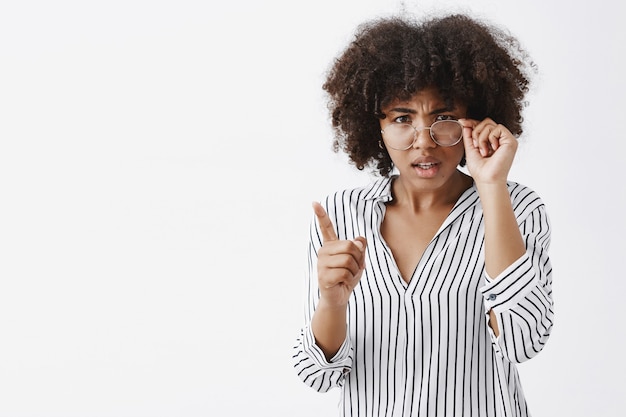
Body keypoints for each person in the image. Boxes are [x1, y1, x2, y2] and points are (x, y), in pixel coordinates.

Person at [291, 12, 554, 417]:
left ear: (477, 117)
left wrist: (491, 186)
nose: (424, 143)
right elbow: (317, 374)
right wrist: (331, 302)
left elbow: (524, 342)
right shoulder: (343, 215)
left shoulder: (516, 207)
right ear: (374, 125)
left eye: (444, 119)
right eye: (402, 118)